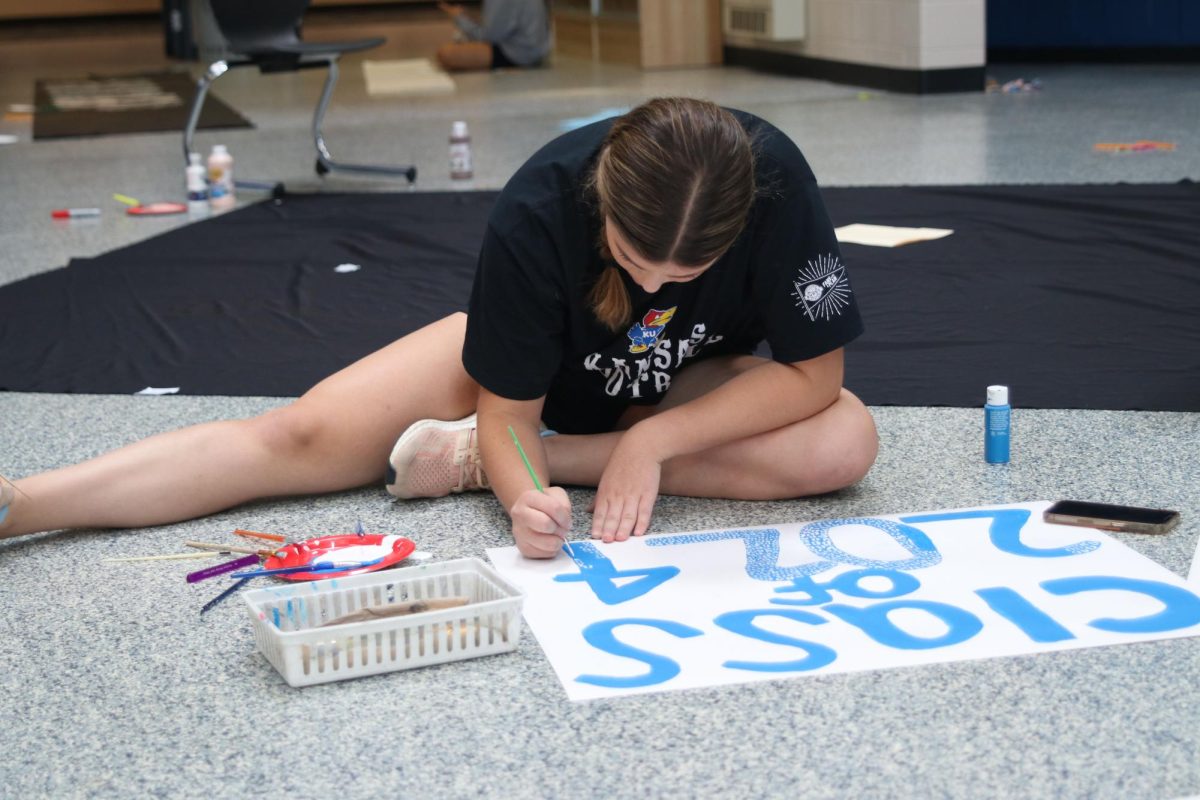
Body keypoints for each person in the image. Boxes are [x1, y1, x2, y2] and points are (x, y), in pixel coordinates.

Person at [0, 97, 878, 559]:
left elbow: (814, 377)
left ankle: (456, 464)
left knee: (845, 443)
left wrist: (645, 448)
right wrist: (518, 488)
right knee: (298, 436)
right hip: (526, 384)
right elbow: (507, 414)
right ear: (601, 201)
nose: (652, 287)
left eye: (681, 277)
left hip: (677, 386)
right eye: (630, 260)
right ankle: (25, 502)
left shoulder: (776, 183)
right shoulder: (540, 202)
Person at [435, 0, 549, 72]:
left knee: (446, 54)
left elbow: (488, 37)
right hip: (535, 50)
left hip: (519, 54)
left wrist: (458, 18)